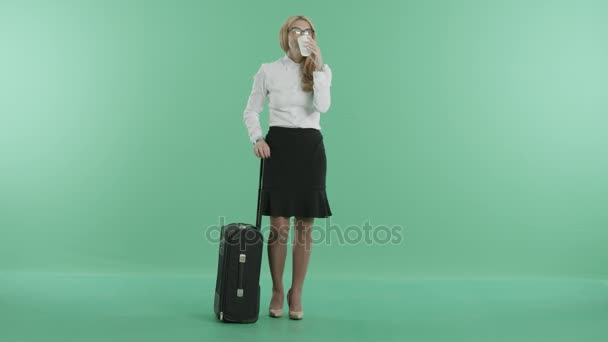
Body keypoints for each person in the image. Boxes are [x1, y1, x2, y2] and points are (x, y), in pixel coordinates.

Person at [242, 15, 333, 320]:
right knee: (278, 227)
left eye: (308, 31)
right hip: (278, 146)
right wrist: (257, 138)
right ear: (287, 35)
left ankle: (297, 292)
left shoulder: (321, 71)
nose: (303, 35)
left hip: (310, 148)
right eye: (297, 30)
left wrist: (319, 67)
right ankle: (277, 289)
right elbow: (251, 110)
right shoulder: (268, 70)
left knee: (305, 228)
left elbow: (323, 106)